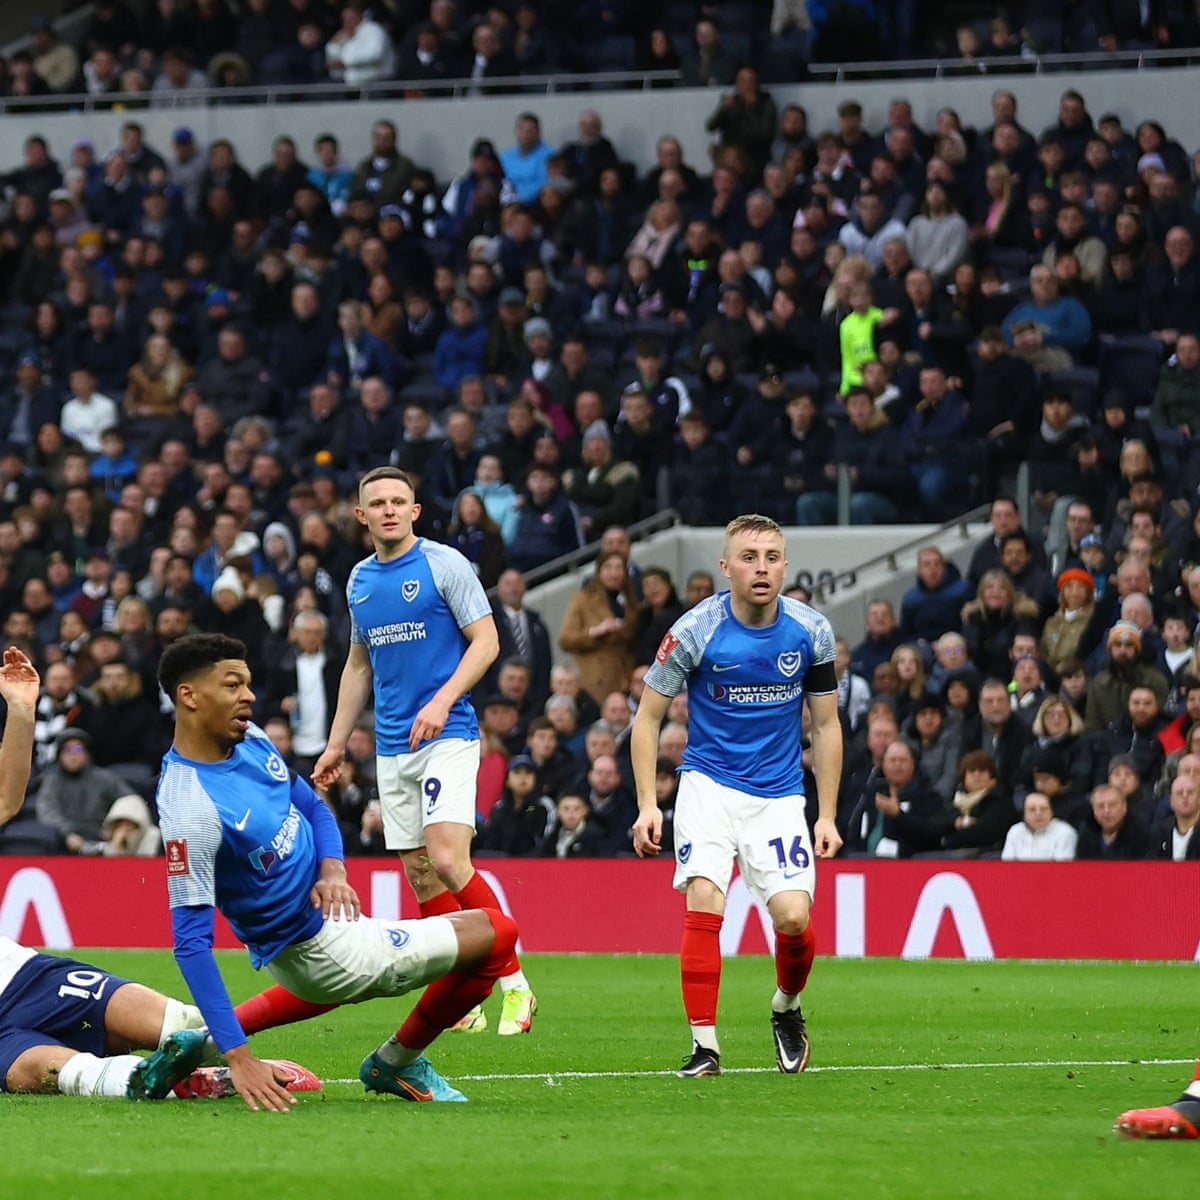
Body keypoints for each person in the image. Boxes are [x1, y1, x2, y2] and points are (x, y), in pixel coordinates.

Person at [156, 632, 522, 1110]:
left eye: (247, 684)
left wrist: (333, 870)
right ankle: (397, 1061)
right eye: (232, 685)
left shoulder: (250, 740)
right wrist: (240, 1057)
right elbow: (191, 945)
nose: (248, 696)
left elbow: (312, 806)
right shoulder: (189, 806)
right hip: (322, 952)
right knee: (498, 934)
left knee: (331, 988)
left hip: (325, 934)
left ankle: (202, 1040)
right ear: (189, 695)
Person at [310, 467, 536, 1037]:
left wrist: (441, 702)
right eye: (377, 503)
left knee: (448, 859)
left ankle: (514, 984)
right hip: (391, 746)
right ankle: (461, 994)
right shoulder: (359, 580)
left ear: (415, 511)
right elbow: (359, 666)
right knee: (420, 875)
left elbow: (486, 641)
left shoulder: (444, 564)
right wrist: (337, 743)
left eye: (399, 501)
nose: (389, 510)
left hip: (449, 734)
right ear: (361, 516)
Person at [630, 515, 843, 1078]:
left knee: (794, 918)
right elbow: (648, 717)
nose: (762, 568)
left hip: (778, 796)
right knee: (705, 899)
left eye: (772, 557)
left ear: (785, 566)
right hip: (708, 784)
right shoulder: (695, 630)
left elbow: (826, 726)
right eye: (749, 557)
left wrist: (827, 814)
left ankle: (786, 1007)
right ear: (726, 568)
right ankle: (705, 1047)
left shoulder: (811, 631)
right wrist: (649, 803)